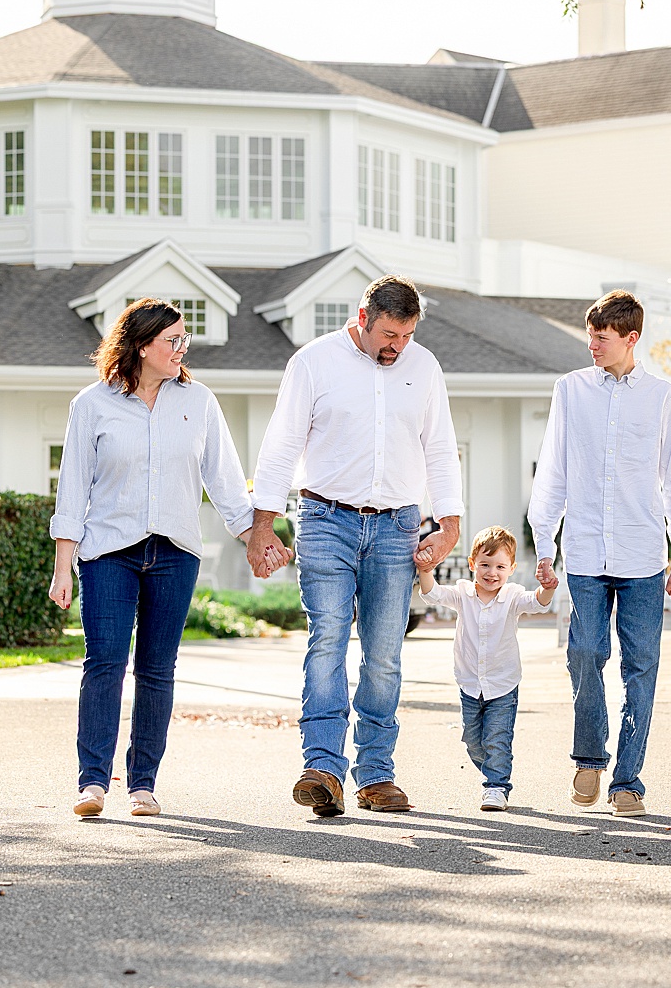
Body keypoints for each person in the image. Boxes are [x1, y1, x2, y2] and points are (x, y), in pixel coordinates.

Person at [246, 274, 462, 818]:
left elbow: (439, 448)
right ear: (362, 319)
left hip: (397, 527)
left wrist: (451, 523)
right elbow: (281, 445)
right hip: (324, 520)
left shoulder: (424, 368)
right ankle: (322, 768)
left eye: (407, 335)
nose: (398, 346)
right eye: (390, 334)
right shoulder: (314, 362)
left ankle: (376, 775)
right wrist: (263, 524)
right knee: (328, 641)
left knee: (385, 654)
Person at [49, 298, 254, 818]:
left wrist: (256, 536)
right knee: (105, 664)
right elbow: (73, 489)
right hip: (108, 553)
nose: (183, 348)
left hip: (174, 553)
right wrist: (62, 566)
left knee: (158, 670)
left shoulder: (199, 401)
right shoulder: (92, 405)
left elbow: (225, 481)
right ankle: (93, 783)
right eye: (173, 340)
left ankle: (143, 784)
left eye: (185, 339)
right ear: (142, 347)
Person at [528, 290, 671, 818]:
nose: (594, 346)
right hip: (582, 551)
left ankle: (628, 780)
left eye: (603, 338)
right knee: (584, 654)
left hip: (643, 553)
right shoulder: (570, 390)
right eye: (590, 336)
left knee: (641, 666)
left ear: (631, 338)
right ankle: (589, 755)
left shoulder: (663, 397)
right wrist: (544, 541)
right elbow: (552, 467)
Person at [416, 525, 556, 811]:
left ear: (512, 569)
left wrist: (547, 588)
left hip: (503, 683)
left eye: (500, 566)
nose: (492, 573)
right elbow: (432, 595)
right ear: (472, 565)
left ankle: (496, 786)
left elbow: (538, 603)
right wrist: (426, 569)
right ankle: (494, 769)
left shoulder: (513, 596)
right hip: (469, 682)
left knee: (497, 738)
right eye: (485, 565)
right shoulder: (463, 594)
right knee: (471, 738)